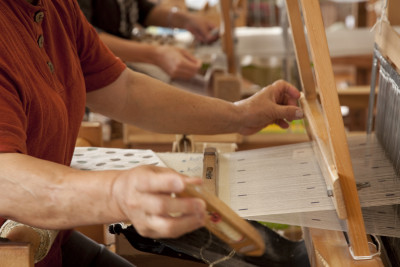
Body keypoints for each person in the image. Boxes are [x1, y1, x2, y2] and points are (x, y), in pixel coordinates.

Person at [0, 0, 303, 266]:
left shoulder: (56, 7)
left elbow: (124, 90)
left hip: (53, 243)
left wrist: (240, 115)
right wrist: (118, 194)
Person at [78, 0, 218, 80]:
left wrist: (185, 20)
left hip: (120, 69)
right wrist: (156, 55)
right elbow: (83, 38)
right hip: (95, 81)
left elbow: (141, 10)